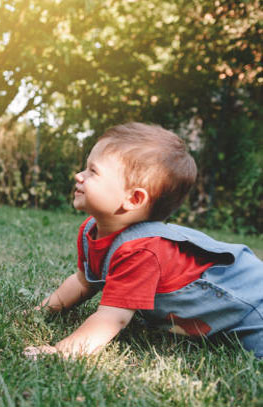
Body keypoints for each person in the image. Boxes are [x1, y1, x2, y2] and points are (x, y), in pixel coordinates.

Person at [23, 123, 263, 359]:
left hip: (251, 306)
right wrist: (40, 312)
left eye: (92, 171)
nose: (79, 176)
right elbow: (83, 282)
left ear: (134, 198)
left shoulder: (141, 251)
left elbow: (111, 318)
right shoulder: (91, 229)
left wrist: (62, 351)